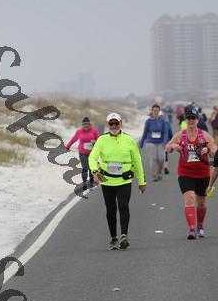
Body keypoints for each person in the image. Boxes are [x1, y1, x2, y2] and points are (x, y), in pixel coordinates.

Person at [89, 112, 146, 250]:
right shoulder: (102, 140)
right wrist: (95, 171)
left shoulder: (129, 140)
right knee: (111, 209)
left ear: (121, 123)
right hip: (107, 180)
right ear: (108, 124)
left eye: (116, 123)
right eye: (111, 123)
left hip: (124, 180)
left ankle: (124, 236)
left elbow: (137, 161)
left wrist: (141, 181)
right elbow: (92, 157)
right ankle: (114, 237)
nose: (114, 126)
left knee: (123, 205)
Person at [166, 107, 217, 239]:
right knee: (189, 199)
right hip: (185, 173)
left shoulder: (204, 135)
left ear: (197, 120)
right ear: (185, 120)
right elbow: (167, 147)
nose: (191, 120)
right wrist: (173, 146)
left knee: (201, 202)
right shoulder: (180, 135)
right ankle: (192, 229)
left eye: (193, 118)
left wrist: (208, 150)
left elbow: (215, 151)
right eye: (189, 118)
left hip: (203, 173)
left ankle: (200, 226)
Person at [66, 117, 100, 190]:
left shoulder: (94, 131)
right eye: (84, 124)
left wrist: (95, 141)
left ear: (90, 124)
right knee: (85, 167)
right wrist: (67, 146)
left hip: (92, 153)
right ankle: (84, 182)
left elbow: (100, 140)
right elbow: (73, 139)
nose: (86, 126)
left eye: (87, 124)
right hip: (82, 152)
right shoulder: (79, 131)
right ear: (82, 125)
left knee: (91, 167)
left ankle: (91, 182)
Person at [139, 104, 167, 182]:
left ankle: (159, 172)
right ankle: (154, 175)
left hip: (160, 142)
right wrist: (141, 142)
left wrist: (165, 141)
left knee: (161, 159)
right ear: (152, 111)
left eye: (157, 111)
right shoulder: (148, 121)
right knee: (153, 159)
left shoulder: (162, 121)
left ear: (159, 111)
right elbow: (145, 132)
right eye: (154, 110)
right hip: (150, 142)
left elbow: (165, 132)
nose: (155, 112)